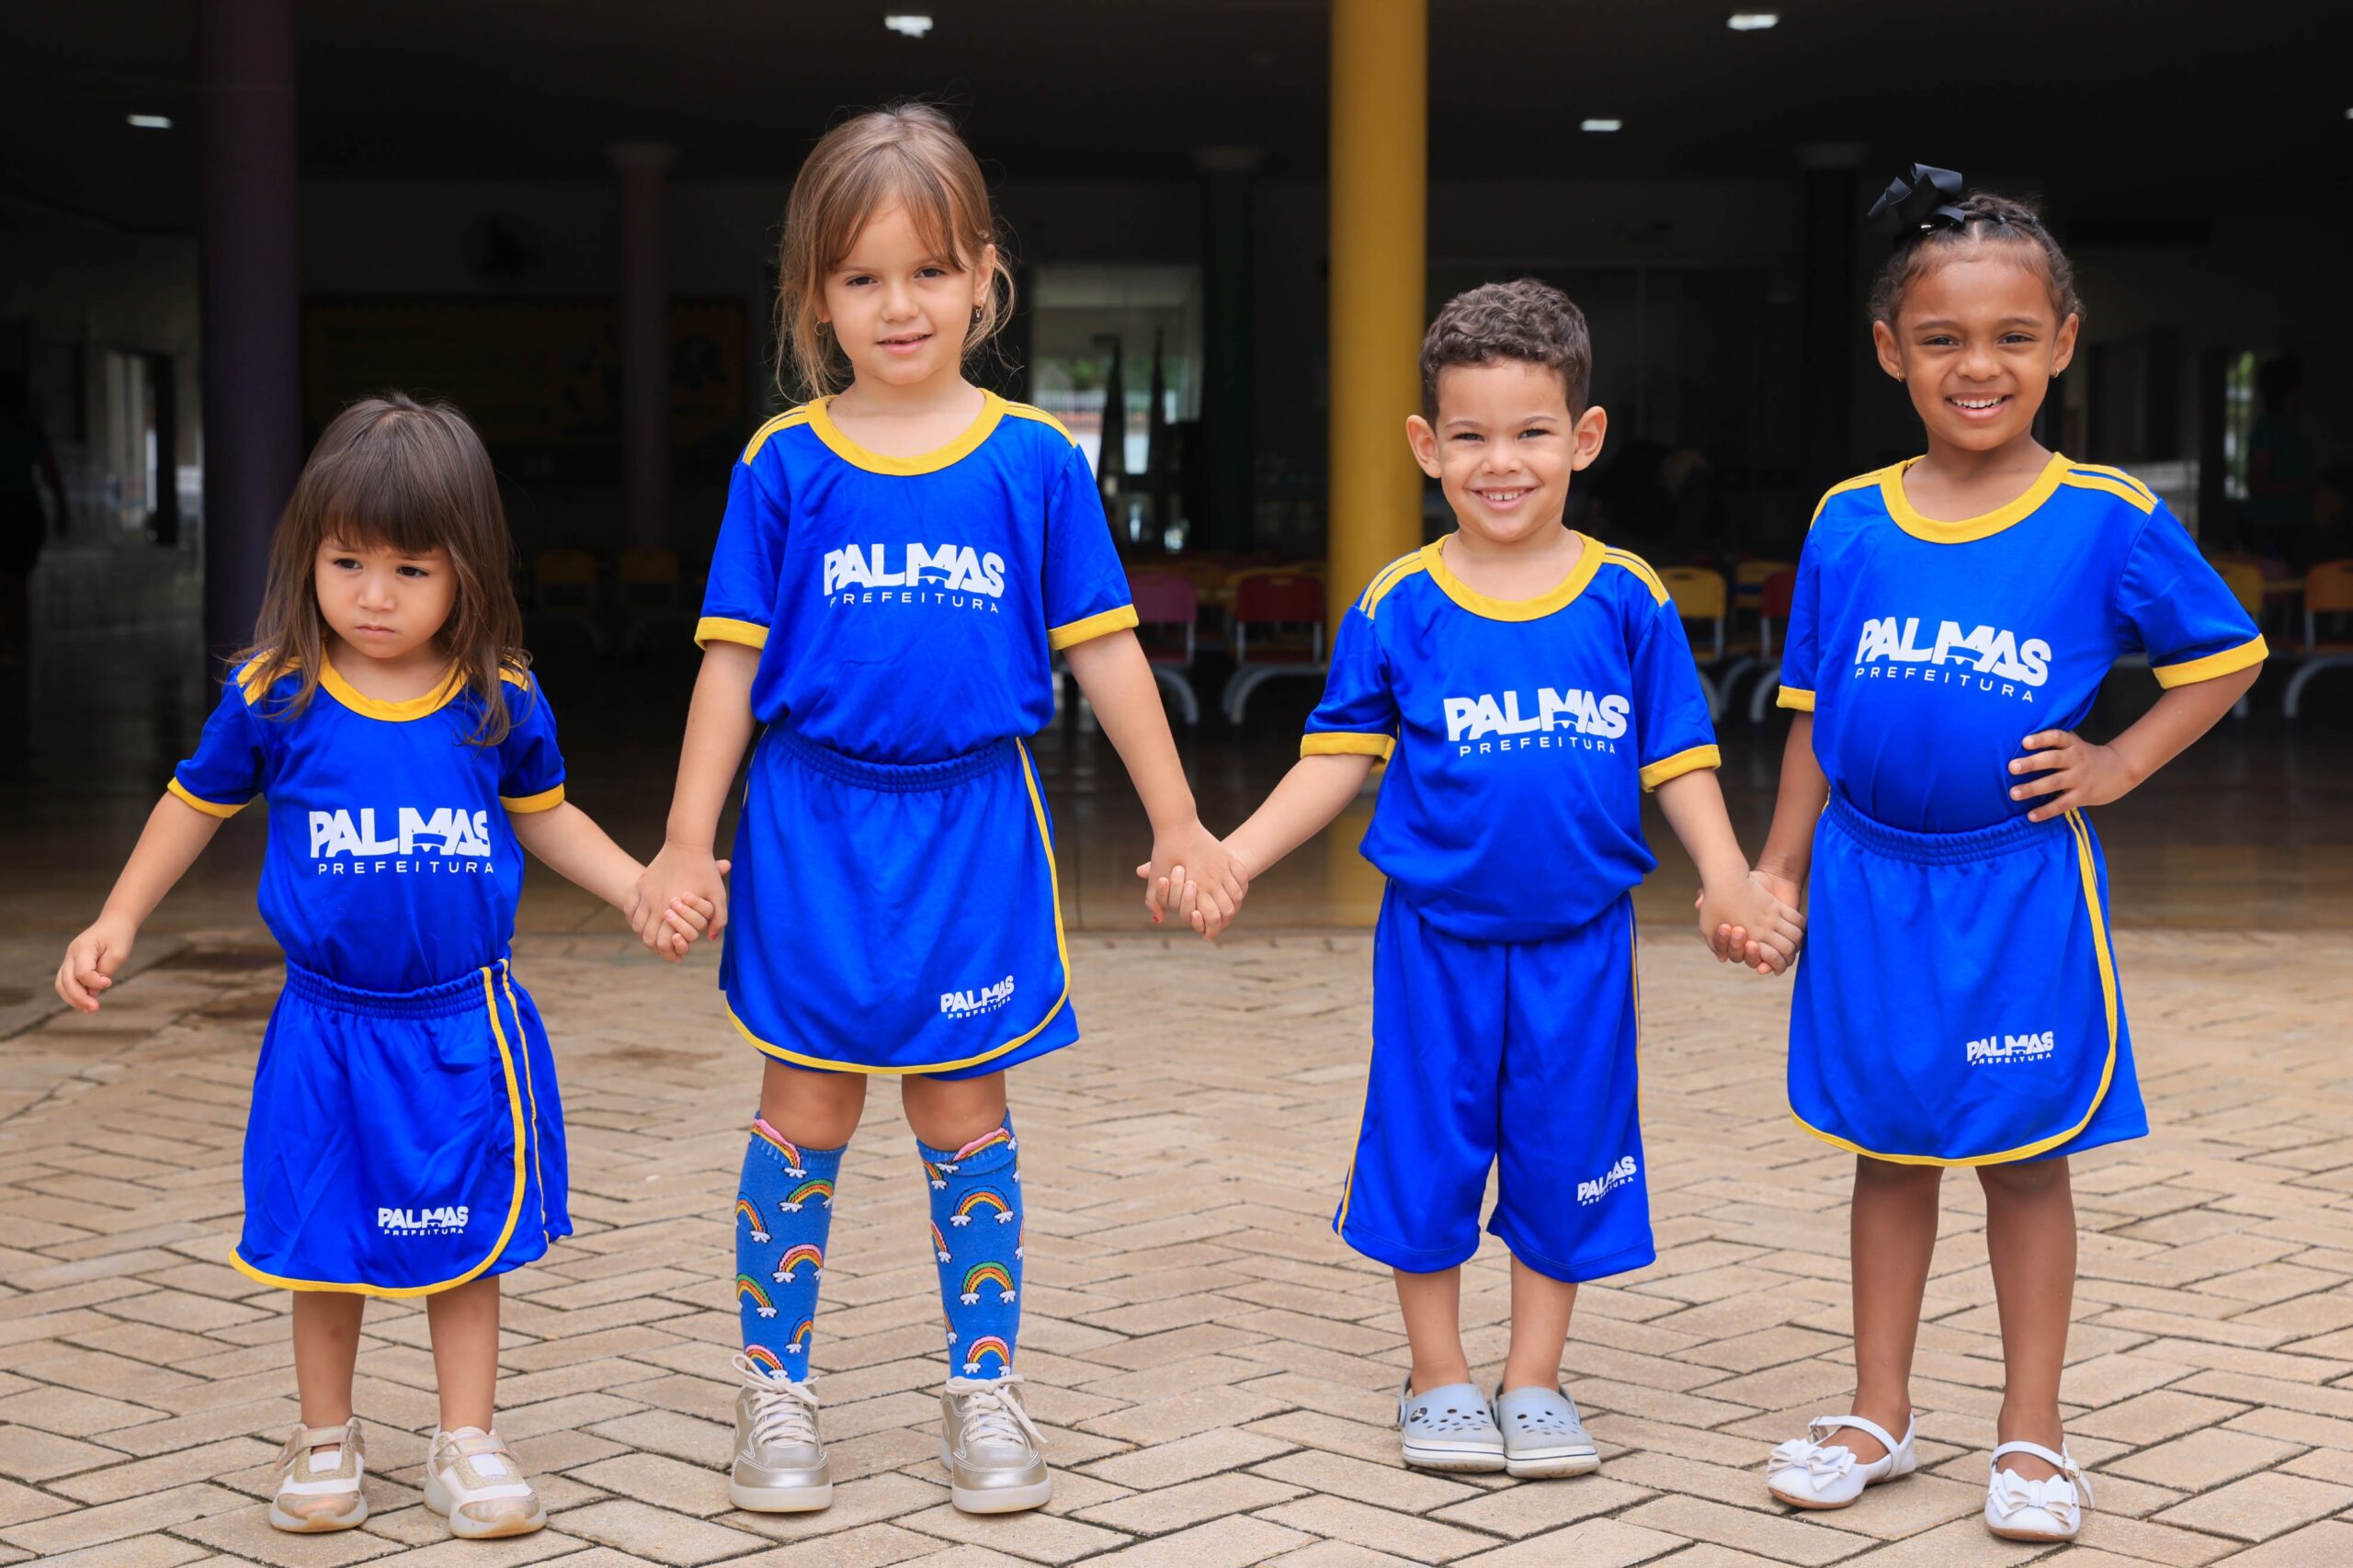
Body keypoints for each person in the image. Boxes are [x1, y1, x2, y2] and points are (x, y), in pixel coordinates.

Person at [631, 103, 1239, 1517]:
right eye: (861, 277)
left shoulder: (1037, 462)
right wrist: (682, 839)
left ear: (984, 279)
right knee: (803, 1107)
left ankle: (982, 1385)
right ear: (812, 297)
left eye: (929, 270)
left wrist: (1178, 821)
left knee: (966, 1108)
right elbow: (730, 665)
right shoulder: (782, 464)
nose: (898, 304)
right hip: (812, 827)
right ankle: (776, 1389)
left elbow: (1106, 651)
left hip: (973, 828)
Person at [52, 394, 710, 1540]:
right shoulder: (276, 692)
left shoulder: (499, 696)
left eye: (411, 568)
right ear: (307, 555)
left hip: (462, 1024)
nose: (373, 593)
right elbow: (192, 804)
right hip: (326, 1023)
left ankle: (467, 1439)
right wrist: (117, 916)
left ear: (468, 571)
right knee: (324, 1237)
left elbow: (546, 817)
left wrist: (639, 885)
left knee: (465, 1241)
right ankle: (324, 1436)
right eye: (347, 561)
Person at [1742, 167, 2266, 1543]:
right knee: (1887, 1146)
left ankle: (2032, 1433)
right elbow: (1811, 712)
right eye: (1943, 339)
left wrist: (2118, 763)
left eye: (2012, 337)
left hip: (2016, 886)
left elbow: (2225, 657)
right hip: (1866, 879)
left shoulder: (2107, 517)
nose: (1978, 366)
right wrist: (1777, 869)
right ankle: (1879, 1410)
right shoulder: (1848, 519)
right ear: (1889, 351)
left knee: (2024, 1157)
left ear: (2062, 342)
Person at [1216, 279, 1803, 1479]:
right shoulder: (1398, 604)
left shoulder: (1629, 598)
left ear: (1584, 437)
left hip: (1581, 944)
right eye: (1470, 435)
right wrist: (1235, 854)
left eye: (1532, 432)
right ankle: (1436, 1374)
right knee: (1424, 1146)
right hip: (1434, 941)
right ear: (1426, 444)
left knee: (1565, 1148)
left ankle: (1534, 1377)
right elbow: (1334, 759)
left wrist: (1730, 876)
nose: (1502, 462)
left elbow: (1678, 756)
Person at [0, 374, 69, 667]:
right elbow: (51, 472)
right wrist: (62, 508)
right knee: (18, 585)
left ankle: (10, 646)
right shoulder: (30, 430)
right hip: (23, 511)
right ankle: (17, 646)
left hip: (10, 511)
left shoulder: (26, 430)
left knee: (8, 583)